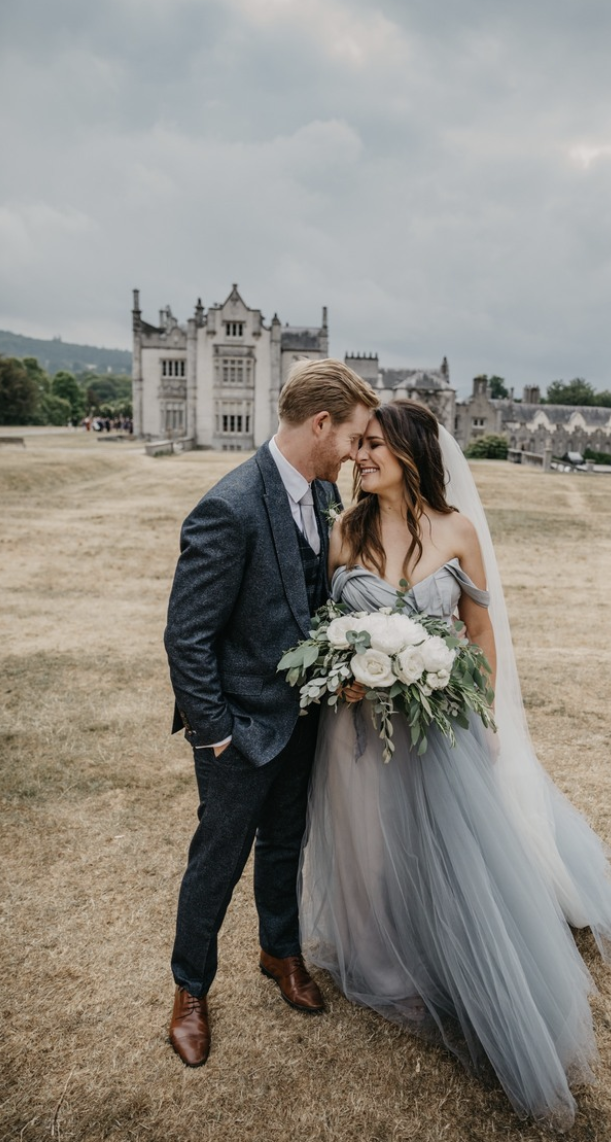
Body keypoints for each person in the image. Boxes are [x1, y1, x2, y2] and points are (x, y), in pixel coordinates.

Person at [300, 400, 611, 1129]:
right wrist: (345, 668)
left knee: (450, 851)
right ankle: (381, 959)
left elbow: (479, 631)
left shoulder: (458, 531)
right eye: (359, 446)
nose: (359, 457)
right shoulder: (345, 533)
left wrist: (486, 713)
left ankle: (456, 956)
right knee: (369, 845)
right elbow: (328, 627)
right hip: (359, 726)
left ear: (410, 453)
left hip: (440, 724)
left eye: (374, 445)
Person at [163, 358, 379, 1067]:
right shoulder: (228, 505)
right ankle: (190, 990)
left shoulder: (319, 498)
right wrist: (216, 734)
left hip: (304, 721)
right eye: (351, 437)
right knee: (216, 860)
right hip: (238, 729)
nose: (355, 453)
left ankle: (278, 951)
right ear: (321, 425)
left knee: (287, 842)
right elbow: (186, 636)